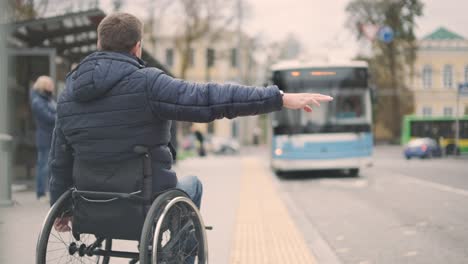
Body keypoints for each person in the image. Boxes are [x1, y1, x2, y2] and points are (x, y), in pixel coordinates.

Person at [49, 13, 333, 234]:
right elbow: (210, 99)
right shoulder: (149, 82)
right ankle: (175, 254)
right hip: (143, 205)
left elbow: (59, 159)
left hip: (90, 208)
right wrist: (279, 98)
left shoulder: (68, 91)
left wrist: (60, 208)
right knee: (192, 184)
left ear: (99, 44)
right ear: (137, 47)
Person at [30, 75, 56, 199]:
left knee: (49, 166)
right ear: (43, 85)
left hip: (52, 137)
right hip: (45, 137)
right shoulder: (38, 101)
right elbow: (48, 117)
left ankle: (49, 192)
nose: (52, 86)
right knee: (43, 166)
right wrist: (60, 117)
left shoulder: (49, 99)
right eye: (50, 84)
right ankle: (41, 193)